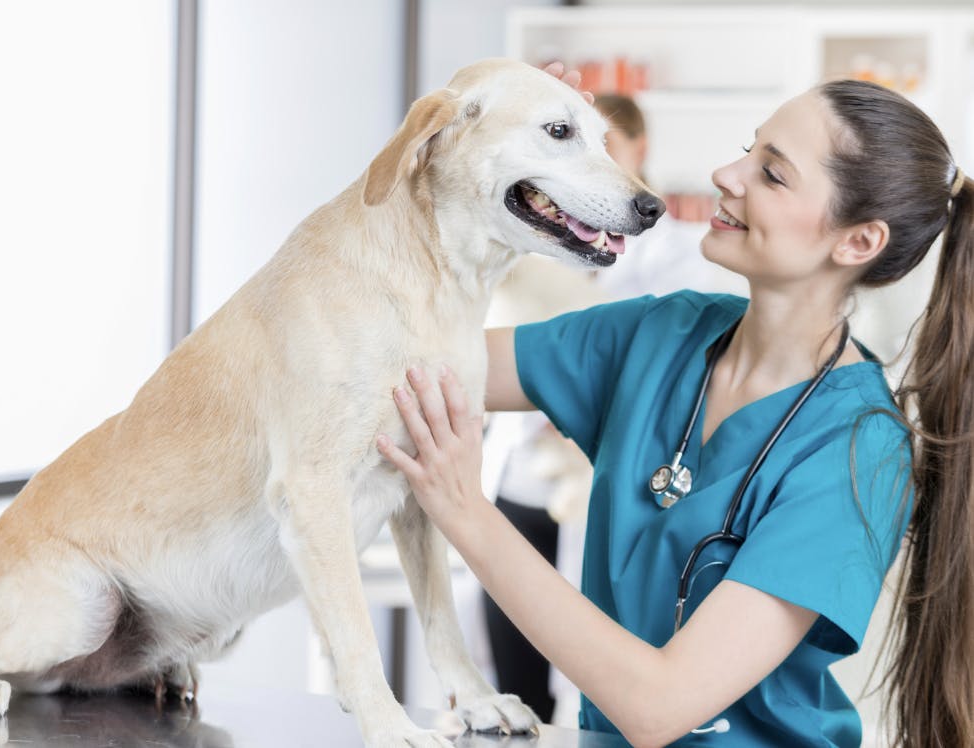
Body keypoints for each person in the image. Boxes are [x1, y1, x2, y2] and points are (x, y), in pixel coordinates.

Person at [376, 73, 973, 747]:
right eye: (750, 150)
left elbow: (659, 706)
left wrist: (463, 511)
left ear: (857, 242)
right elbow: (408, 368)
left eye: (771, 174)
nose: (727, 173)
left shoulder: (858, 450)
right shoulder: (662, 334)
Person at [478, 93, 745, 726]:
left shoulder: (688, 272)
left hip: (606, 483)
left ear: (639, 152)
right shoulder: (526, 236)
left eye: (606, 149)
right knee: (514, 681)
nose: (588, 172)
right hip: (519, 477)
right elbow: (463, 349)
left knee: (592, 681)